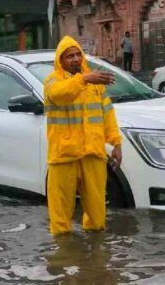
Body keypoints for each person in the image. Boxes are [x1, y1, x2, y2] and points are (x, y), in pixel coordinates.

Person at [44, 36, 123, 235]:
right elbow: (60, 95)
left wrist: (116, 144)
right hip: (64, 156)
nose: (75, 58)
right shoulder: (53, 81)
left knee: (97, 218)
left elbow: (108, 115)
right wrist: (84, 79)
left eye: (78, 54)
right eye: (69, 56)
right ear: (60, 60)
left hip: (93, 154)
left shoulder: (96, 85)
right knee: (60, 218)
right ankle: (63, 257)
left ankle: (94, 261)